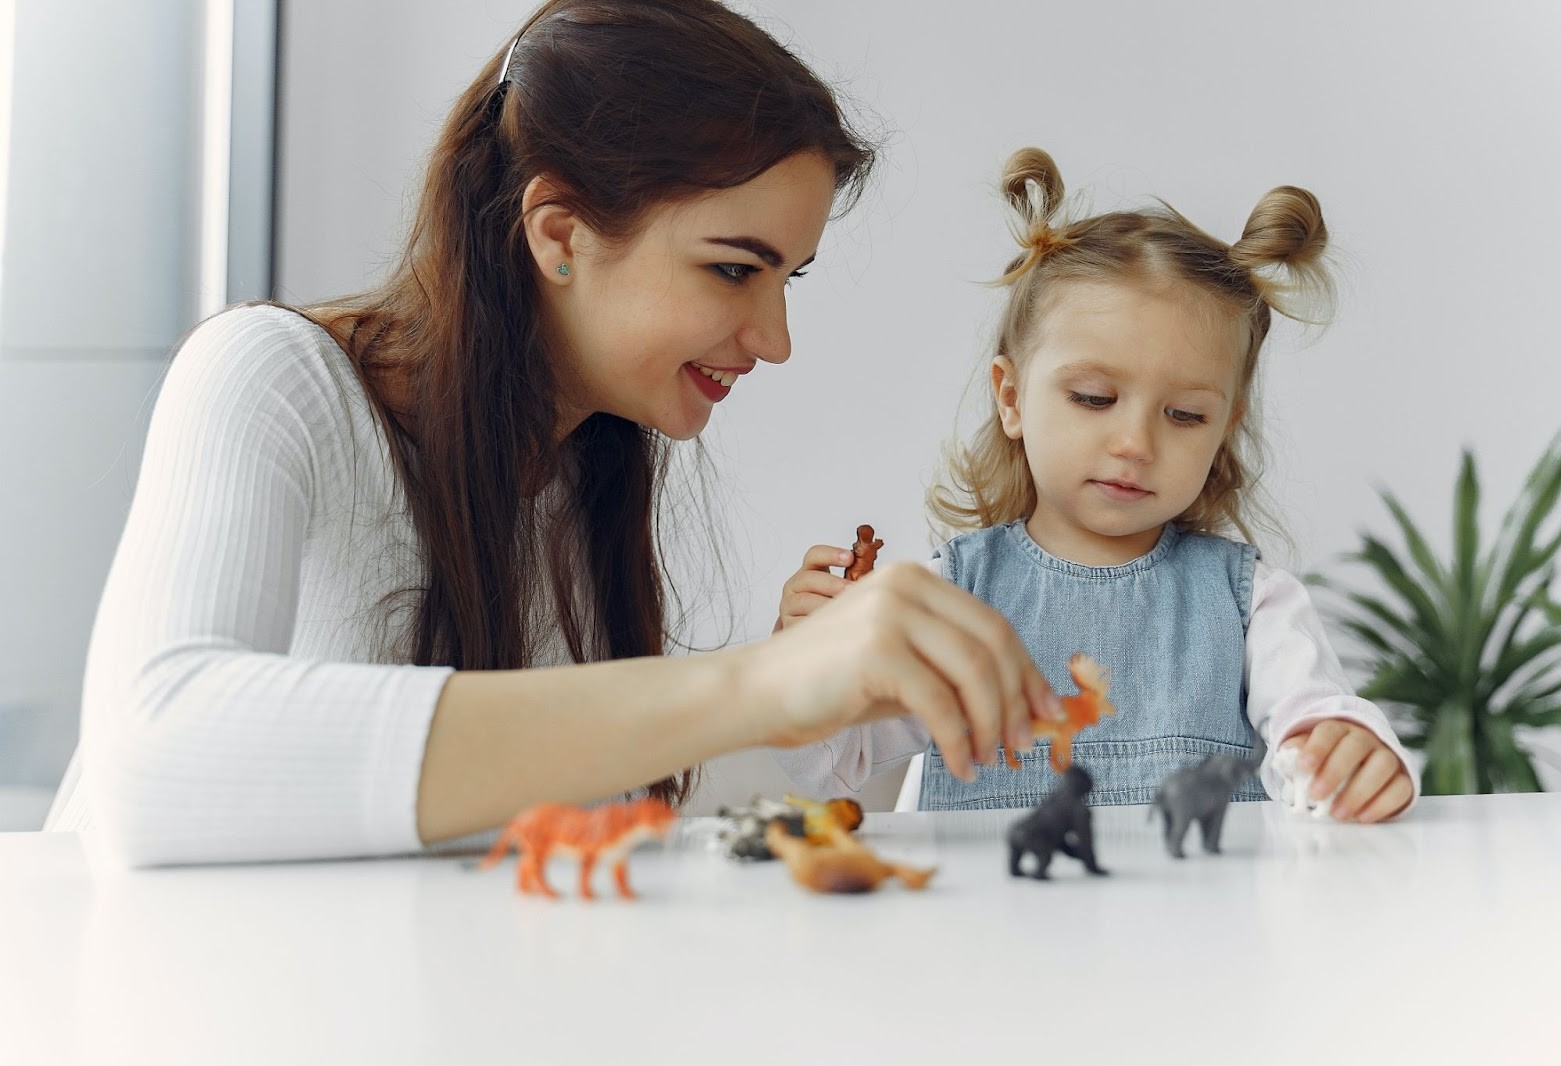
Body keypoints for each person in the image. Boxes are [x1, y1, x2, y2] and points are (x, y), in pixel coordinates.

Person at [45, 0, 1065, 867]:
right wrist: (749, 685)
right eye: (731, 268)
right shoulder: (269, 377)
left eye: (786, 278)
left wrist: (804, 706)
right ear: (560, 234)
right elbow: (157, 754)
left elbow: (568, 784)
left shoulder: (586, 464)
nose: (775, 339)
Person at [773, 146, 1421, 821]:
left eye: (1184, 415)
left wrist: (1348, 753)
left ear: (1224, 426)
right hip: (994, 926)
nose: (1136, 444)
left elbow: (1313, 724)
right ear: (1013, 397)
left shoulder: (1254, 603)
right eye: (1092, 398)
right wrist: (805, 663)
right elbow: (831, 762)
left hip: (1207, 925)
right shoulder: (950, 598)